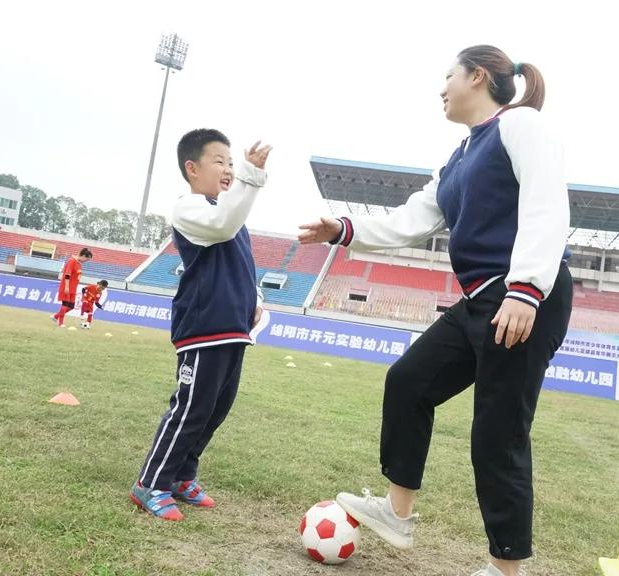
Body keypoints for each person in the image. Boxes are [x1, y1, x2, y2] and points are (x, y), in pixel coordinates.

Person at [298, 45, 572, 576]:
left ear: (477, 76)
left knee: (498, 434)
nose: (441, 88)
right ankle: (396, 514)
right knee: (409, 382)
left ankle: (504, 570)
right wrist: (344, 229)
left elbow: (546, 203)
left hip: (522, 296)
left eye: (448, 75)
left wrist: (526, 290)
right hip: (479, 300)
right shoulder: (458, 157)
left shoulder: (521, 126)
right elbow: (411, 220)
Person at [130, 129, 270, 521]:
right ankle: (151, 482)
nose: (228, 169)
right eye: (219, 161)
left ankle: (182, 476)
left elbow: (242, 265)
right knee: (192, 407)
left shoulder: (230, 214)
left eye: (232, 162)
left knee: (215, 408)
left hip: (233, 327)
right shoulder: (190, 208)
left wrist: (256, 300)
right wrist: (251, 176)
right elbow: (222, 225)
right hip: (204, 325)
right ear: (192, 169)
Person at [51, 248, 92, 327]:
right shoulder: (71, 261)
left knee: (71, 306)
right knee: (65, 304)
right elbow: (67, 274)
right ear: (83, 256)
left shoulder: (79, 264)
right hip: (67, 287)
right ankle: (60, 323)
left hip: (73, 288)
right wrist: (66, 286)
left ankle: (56, 316)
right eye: (86, 259)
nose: (86, 261)